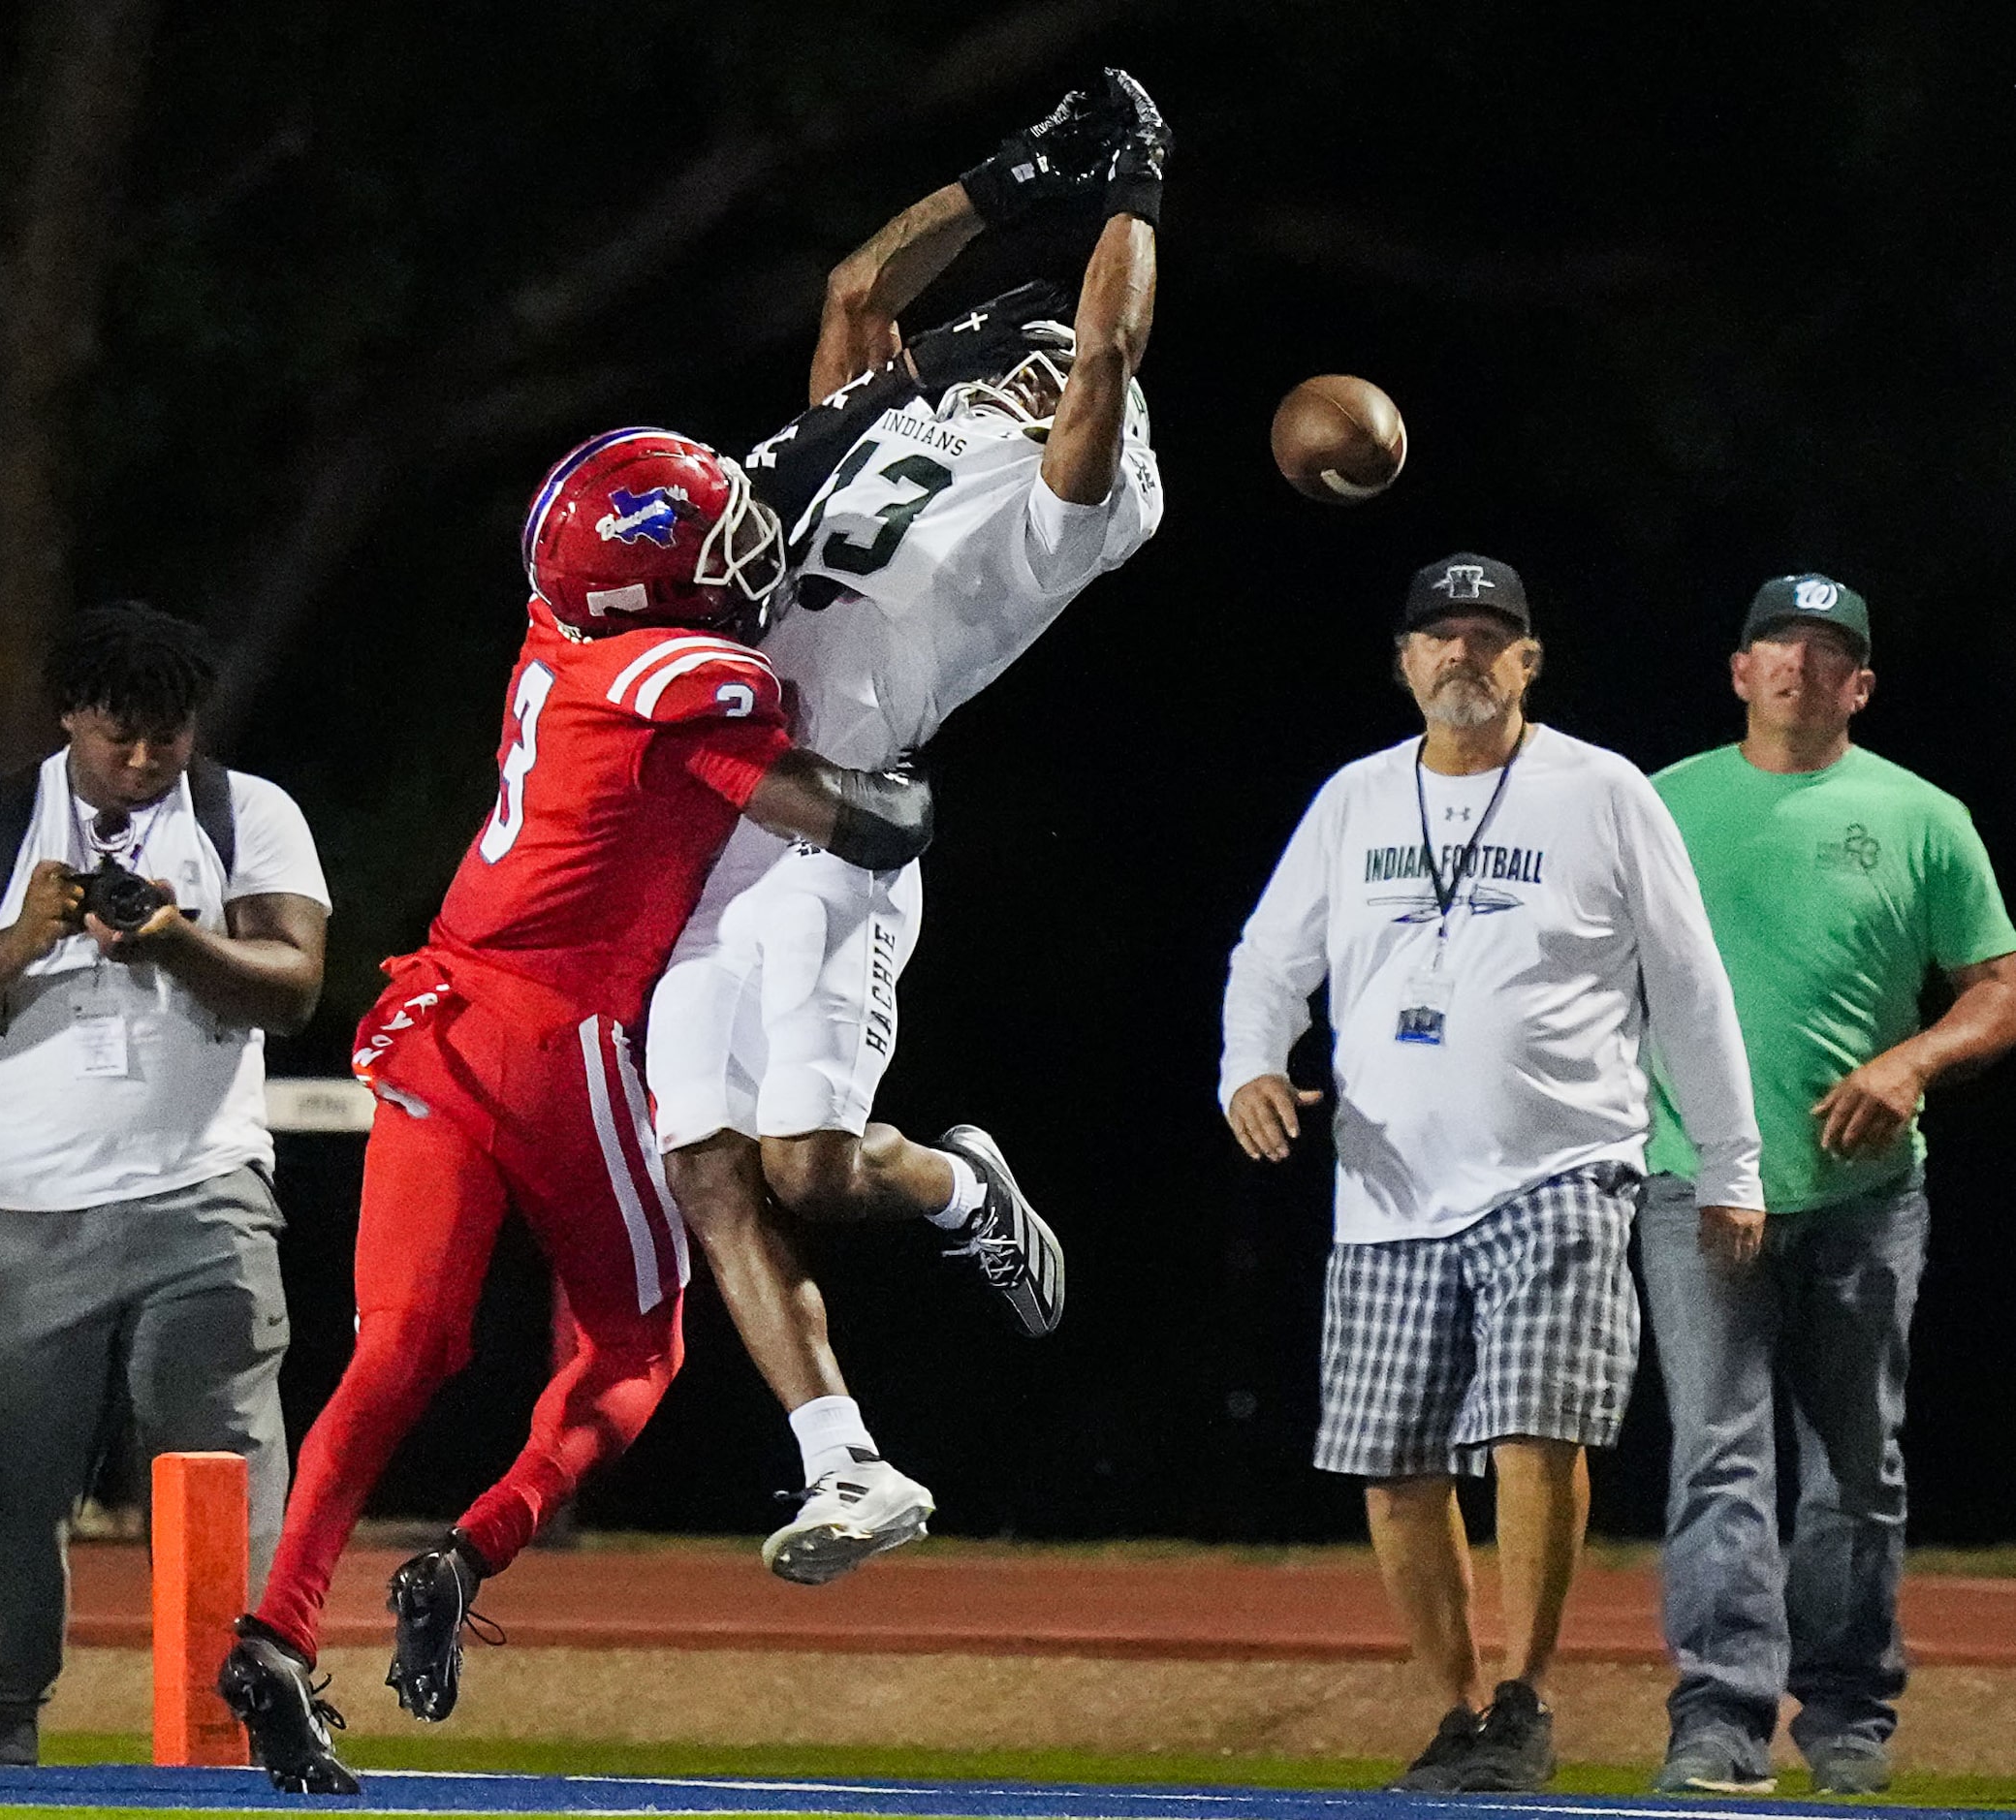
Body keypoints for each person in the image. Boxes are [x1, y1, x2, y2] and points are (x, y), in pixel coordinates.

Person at [213, 428, 941, 1795]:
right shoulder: (693, 676)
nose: (741, 566)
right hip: (563, 1037)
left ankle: (274, 1629)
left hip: (434, 1019)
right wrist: (898, 781)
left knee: (398, 1348)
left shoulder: (561, 640)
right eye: (715, 550)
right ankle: (469, 1548)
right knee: (635, 1350)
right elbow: (848, 818)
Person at [646, 68, 1169, 1585]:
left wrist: (1130, 193)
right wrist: (1006, 179)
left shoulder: (1068, 496)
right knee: (708, 1173)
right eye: (1017, 349)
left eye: (1047, 355)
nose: (1027, 366)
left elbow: (1106, 364)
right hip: (715, 820)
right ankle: (845, 1462)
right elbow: (860, 284)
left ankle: (956, 1182)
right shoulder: (889, 432)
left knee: (808, 1170)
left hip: (840, 832)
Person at [1216, 555, 1764, 1793]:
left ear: (1528, 661)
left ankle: (1525, 1694)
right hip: (1386, 1186)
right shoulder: (1355, 800)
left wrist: (1730, 1163)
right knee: (1393, 1462)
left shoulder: (1601, 792)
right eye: (1439, 636)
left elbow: (1687, 985)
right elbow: (1266, 961)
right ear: (1405, 662)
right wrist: (1248, 1065)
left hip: (1562, 1166)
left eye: (1489, 636)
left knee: (1534, 1420)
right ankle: (1460, 1712)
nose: (1462, 654)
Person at [0, 602, 331, 1769]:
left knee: (224, 1484)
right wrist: (23, 935)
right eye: (119, 736)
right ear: (70, 714)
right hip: (21, 1217)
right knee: (12, 1487)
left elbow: (294, 985)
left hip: (204, 1199)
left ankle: (238, 1729)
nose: (141, 761)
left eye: (165, 739)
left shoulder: (249, 812)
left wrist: (177, 938)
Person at [1639, 576, 2016, 1798]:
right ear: (1738, 672)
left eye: (1825, 652)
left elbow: (1996, 989)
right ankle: (1719, 1719)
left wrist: (1912, 1058)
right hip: (1692, 1184)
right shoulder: (1656, 807)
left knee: (1857, 1471)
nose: (1798, 667)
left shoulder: (1922, 816)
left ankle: (1848, 1722)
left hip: (1862, 1198)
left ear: (1859, 685)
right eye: (1775, 647)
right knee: (1717, 1460)